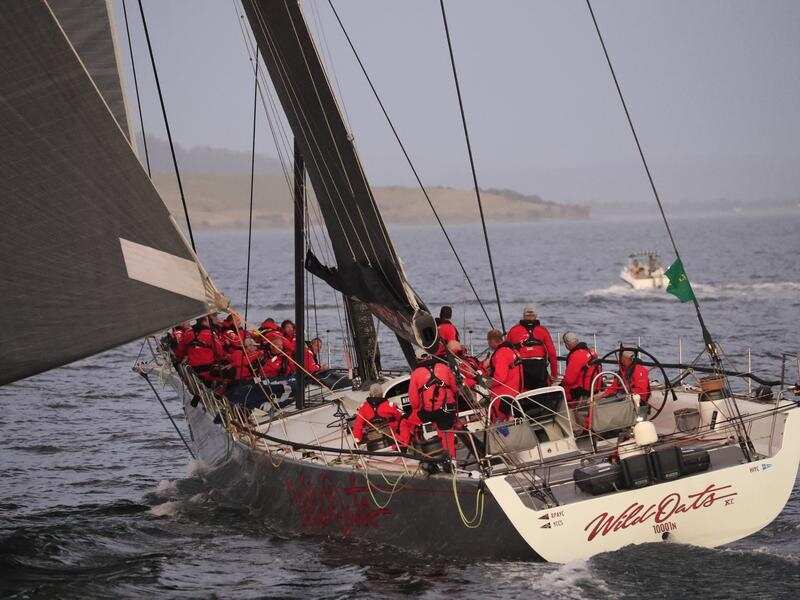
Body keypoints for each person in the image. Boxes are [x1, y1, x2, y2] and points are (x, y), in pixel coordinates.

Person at [398, 354, 458, 459]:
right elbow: (454, 389)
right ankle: (452, 460)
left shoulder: (416, 374)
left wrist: (419, 409)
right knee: (447, 435)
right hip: (447, 410)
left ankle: (404, 449)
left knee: (405, 421)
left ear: (418, 359)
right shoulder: (445, 368)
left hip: (429, 412)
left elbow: (414, 401)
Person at [506, 305, 558, 390]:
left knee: (523, 390)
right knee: (542, 391)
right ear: (536, 316)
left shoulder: (513, 330)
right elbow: (552, 354)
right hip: (539, 367)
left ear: (523, 316)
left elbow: (506, 352)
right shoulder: (543, 330)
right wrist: (554, 375)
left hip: (522, 367)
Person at [485, 329, 523, 421]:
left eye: (488, 341)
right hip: (515, 391)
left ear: (492, 341)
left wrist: (488, 383)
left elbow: (500, 377)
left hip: (503, 395)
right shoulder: (513, 351)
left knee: (500, 420)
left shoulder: (501, 354)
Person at [561, 332, 600, 406]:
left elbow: (569, 380)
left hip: (582, 392)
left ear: (567, 345)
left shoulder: (576, 355)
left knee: (558, 391)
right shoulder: (592, 352)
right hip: (595, 387)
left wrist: (562, 383)